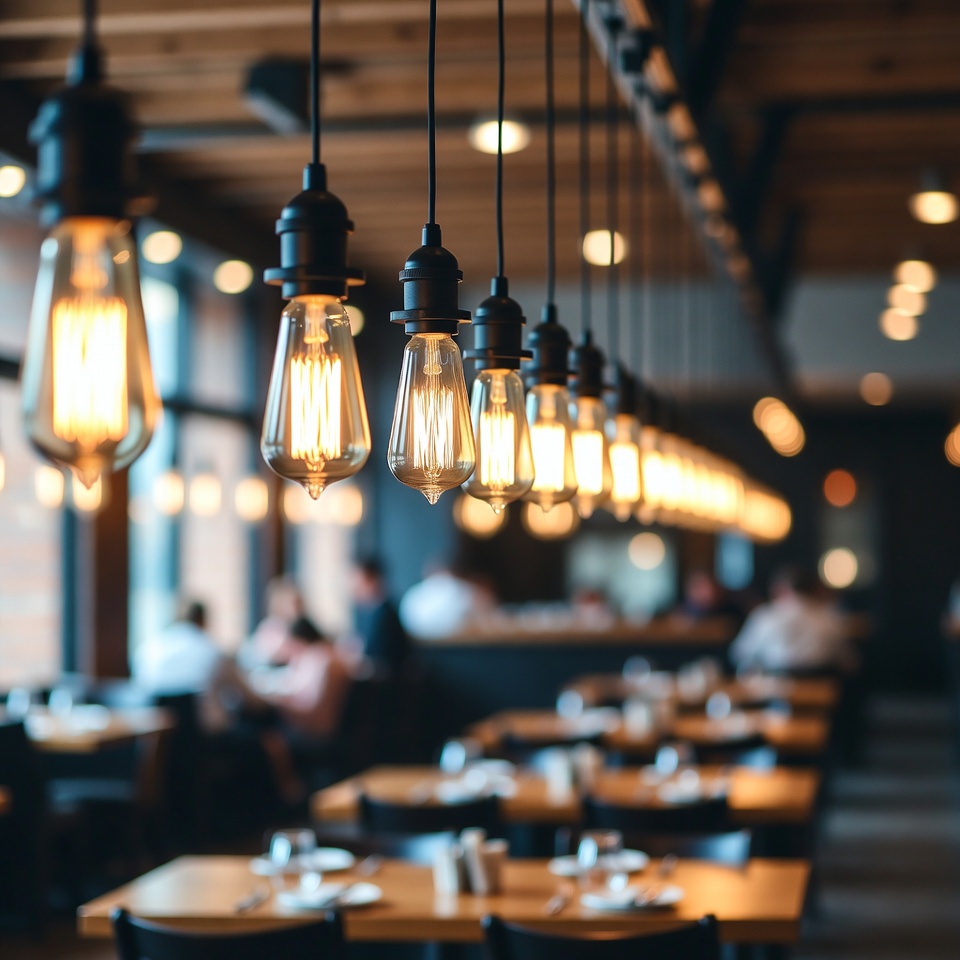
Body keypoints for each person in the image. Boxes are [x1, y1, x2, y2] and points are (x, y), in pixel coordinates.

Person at [132, 599, 265, 733]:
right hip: (209, 740)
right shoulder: (213, 651)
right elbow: (251, 698)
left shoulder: (148, 650)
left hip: (161, 740)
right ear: (203, 620)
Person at [728, 566, 856, 674]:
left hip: (773, 694)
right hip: (826, 694)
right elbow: (848, 659)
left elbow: (739, 654)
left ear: (778, 589)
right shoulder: (830, 616)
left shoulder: (765, 615)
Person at [398, 558, 497, 640]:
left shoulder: (414, 592)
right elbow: (484, 600)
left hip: (418, 643)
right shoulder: (453, 587)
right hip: (455, 644)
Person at [352, 556, 409, 673]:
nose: (354, 588)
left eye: (360, 582)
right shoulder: (364, 613)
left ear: (374, 580)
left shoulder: (385, 615)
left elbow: (384, 661)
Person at [244, 575, 305, 667]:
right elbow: (273, 652)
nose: (297, 609)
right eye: (294, 604)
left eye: (299, 604)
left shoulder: (300, 626)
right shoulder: (271, 626)